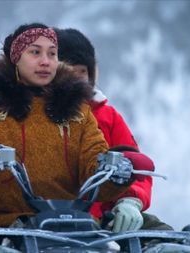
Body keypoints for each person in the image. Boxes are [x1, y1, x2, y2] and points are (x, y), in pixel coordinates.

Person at [0, 22, 153, 229]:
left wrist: (118, 170)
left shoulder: (77, 111)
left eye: (52, 54)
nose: (45, 61)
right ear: (16, 58)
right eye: (35, 53)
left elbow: (93, 165)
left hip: (68, 225)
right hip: (2, 222)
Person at [55, 28, 173, 232]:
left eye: (82, 72)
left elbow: (136, 166)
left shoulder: (108, 117)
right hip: (47, 214)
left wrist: (130, 201)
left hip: (103, 217)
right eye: (69, 72)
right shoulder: (33, 115)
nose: (77, 80)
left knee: (162, 233)